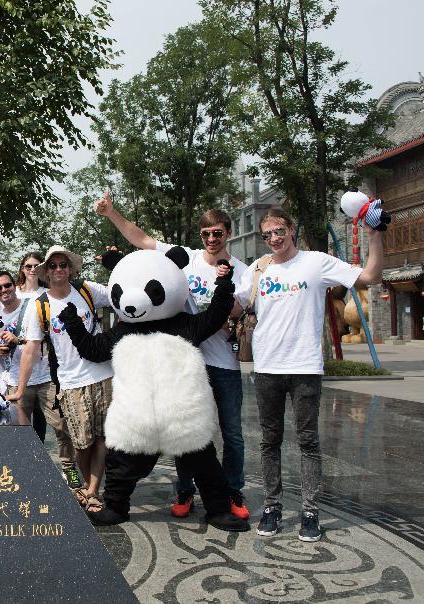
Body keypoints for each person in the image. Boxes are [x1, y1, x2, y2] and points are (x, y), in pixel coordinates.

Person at [95, 193, 251, 520]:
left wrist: (224, 288)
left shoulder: (242, 270)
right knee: (179, 435)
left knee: (224, 435)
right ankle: (183, 490)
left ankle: (231, 494)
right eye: (207, 233)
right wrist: (111, 214)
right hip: (177, 375)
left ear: (228, 233)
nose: (212, 238)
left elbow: (234, 310)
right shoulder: (188, 258)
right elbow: (140, 239)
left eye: (218, 233)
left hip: (219, 361)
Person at [234, 208, 383, 542]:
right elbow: (233, 305)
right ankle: (272, 506)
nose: (274, 239)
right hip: (268, 368)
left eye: (279, 232)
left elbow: (371, 276)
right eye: (267, 234)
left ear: (291, 231)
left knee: (308, 441)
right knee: (269, 440)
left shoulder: (316, 262)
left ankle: (310, 511)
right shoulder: (259, 269)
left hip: (304, 368)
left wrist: (375, 232)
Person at [8, 247, 114, 515]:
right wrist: (20, 387)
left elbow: (120, 294)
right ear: (46, 271)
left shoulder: (87, 291)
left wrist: (116, 262)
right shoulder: (40, 305)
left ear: (71, 268)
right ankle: (82, 483)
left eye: (63, 265)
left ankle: (92, 490)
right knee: (81, 441)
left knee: (102, 437)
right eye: (53, 266)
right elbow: (31, 348)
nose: (58, 270)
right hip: (69, 380)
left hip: (103, 373)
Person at [0, 270, 80, 489]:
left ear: (15, 285)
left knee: (62, 426)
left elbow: (44, 339)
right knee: (17, 432)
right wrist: (1, 352)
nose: (4, 290)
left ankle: (70, 471)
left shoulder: (32, 305)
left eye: (7, 285)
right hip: (15, 379)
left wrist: (18, 339)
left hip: (45, 377)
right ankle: (23, 472)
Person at [15, 252, 49, 440]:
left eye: (36, 266)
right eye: (28, 266)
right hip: (17, 365)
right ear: (22, 269)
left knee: (41, 422)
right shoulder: (14, 293)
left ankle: (42, 463)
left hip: (43, 366)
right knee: (21, 422)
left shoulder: (47, 294)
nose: (32, 269)